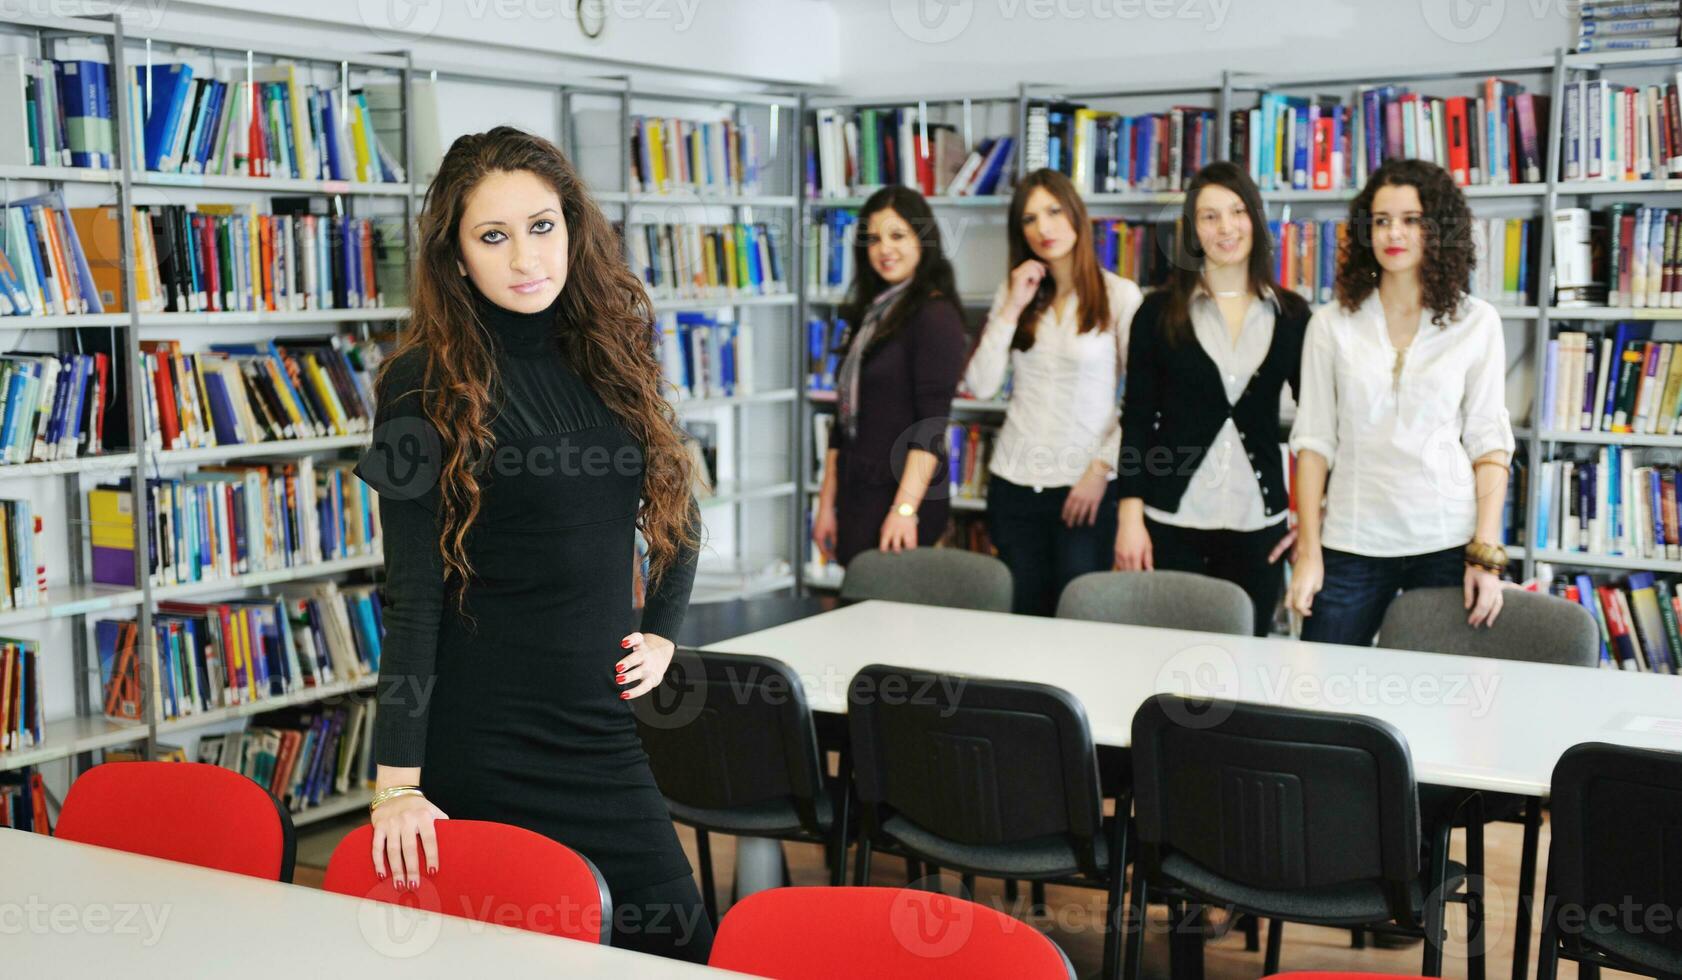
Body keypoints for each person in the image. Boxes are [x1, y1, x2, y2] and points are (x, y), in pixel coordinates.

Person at [352, 126, 712, 962]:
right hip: (482, 737)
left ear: (573, 225)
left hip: (597, 729)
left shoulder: (612, 349)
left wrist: (663, 627)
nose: (525, 258)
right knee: (509, 959)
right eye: (494, 236)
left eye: (542, 226)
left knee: (685, 946)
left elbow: (678, 512)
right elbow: (410, 596)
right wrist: (395, 789)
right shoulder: (418, 384)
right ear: (457, 254)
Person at [1287, 157, 1515, 646]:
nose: (1395, 233)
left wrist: (1485, 554)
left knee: (1440, 697)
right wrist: (1309, 551)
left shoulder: (1477, 323)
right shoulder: (1331, 324)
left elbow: (1488, 442)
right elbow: (1313, 443)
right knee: (1319, 692)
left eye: (1412, 220)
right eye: (1382, 220)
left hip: (1446, 542)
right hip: (1351, 542)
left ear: (1438, 229)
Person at [1113, 161, 1309, 637]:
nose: (1226, 228)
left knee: (1246, 657)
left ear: (1256, 220)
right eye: (1210, 216)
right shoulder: (1157, 312)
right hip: (1170, 518)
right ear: (1193, 230)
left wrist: (1316, 518)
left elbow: (1318, 426)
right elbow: (1136, 418)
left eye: (1237, 212)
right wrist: (1129, 517)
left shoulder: (1293, 315)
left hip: (1259, 524)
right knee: (1165, 657)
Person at [964, 168, 1142, 616]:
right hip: (1013, 483)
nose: (1043, 228)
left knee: (1079, 624)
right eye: (1029, 219)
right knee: (1019, 623)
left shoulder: (1119, 295)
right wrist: (1012, 306)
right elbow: (981, 384)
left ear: (1076, 215)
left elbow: (1142, 401)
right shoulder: (1016, 291)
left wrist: (1100, 470)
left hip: (1083, 489)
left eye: (1053, 211)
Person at [811, 187, 968, 566]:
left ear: (922, 240)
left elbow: (931, 424)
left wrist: (904, 511)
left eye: (898, 235)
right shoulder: (872, 314)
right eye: (874, 239)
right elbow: (842, 422)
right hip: (857, 493)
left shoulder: (934, 316)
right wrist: (826, 504)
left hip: (902, 497)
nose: (885, 249)